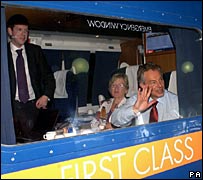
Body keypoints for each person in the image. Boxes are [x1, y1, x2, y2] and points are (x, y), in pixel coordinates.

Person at [7, 14, 56, 142]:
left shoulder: (35, 51)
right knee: (15, 143)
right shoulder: (3, 53)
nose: (23, 34)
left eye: (26, 31)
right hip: (12, 107)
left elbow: (49, 77)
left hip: (34, 106)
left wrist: (46, 96)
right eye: (19, 30)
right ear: (10, 31)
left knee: (37, 141)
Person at [111, 62, 180, 128]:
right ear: (143, 85)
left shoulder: (175, 101)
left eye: (161, 80)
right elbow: (114, 120)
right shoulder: (136, 100)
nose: (160, 85)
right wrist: (135, 110)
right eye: (153, 82)